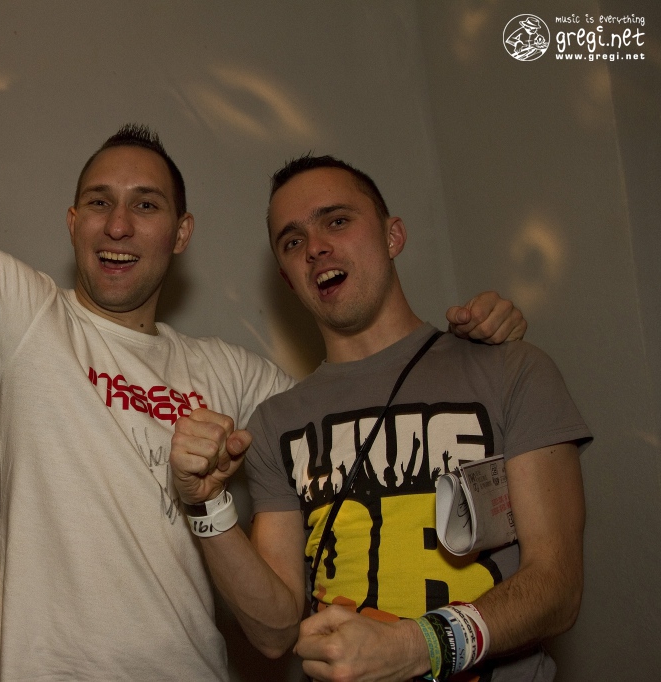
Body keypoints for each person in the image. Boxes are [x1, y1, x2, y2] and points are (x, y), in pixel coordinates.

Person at [0, 1, 528, 678]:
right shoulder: (22, 317)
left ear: (181, 233)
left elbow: (371, 406)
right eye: (99, 202)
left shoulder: (234, 375)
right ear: (72, 222)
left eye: (146, 205)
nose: (118, 224)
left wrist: (475, 339)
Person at [170, 156, 591, 681]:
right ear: (288, 278)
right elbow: (274, 632)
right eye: (293, 241)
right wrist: (207, 505)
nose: (315, 247)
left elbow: (557, 587)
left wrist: (420, 646)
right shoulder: (275, 423)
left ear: (393, 236)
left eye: (337, 220)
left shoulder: (510, 368)